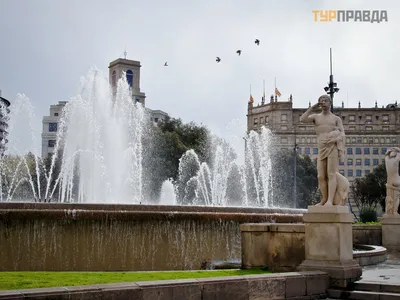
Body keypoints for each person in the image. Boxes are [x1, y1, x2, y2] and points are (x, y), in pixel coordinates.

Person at [300, 95, 345, 206]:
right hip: (321, 147)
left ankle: (330, 200)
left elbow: (343, 134)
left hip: (332, 147)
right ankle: (324, 199)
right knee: (320, 176)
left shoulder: (336, 119)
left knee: (331, 174)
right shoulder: (316, 117)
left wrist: (335, 139)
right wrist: (312, 108)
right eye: (321, 101)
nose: (323, 102)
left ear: (330, 103)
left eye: (325, 100)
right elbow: (302, 119)